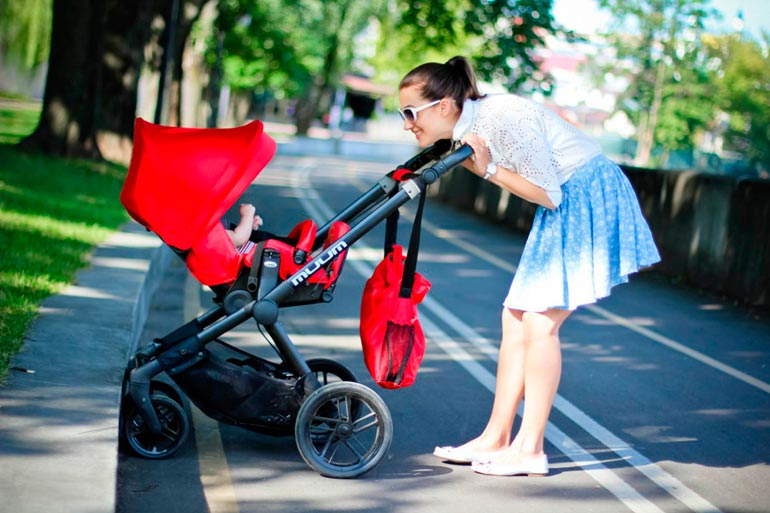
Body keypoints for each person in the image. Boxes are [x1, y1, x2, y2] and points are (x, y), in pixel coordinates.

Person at [398, 56, 660, 477]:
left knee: (539, 322)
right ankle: (496, 437)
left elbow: (548, 193)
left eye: (410, 113)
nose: (407, 124)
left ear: (443, 106)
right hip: (567, 204)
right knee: (514, 318)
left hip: (585, 195)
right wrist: (480, 166)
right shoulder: (471, 128)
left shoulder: (502, 118)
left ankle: (531, 448)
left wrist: (490, 170)